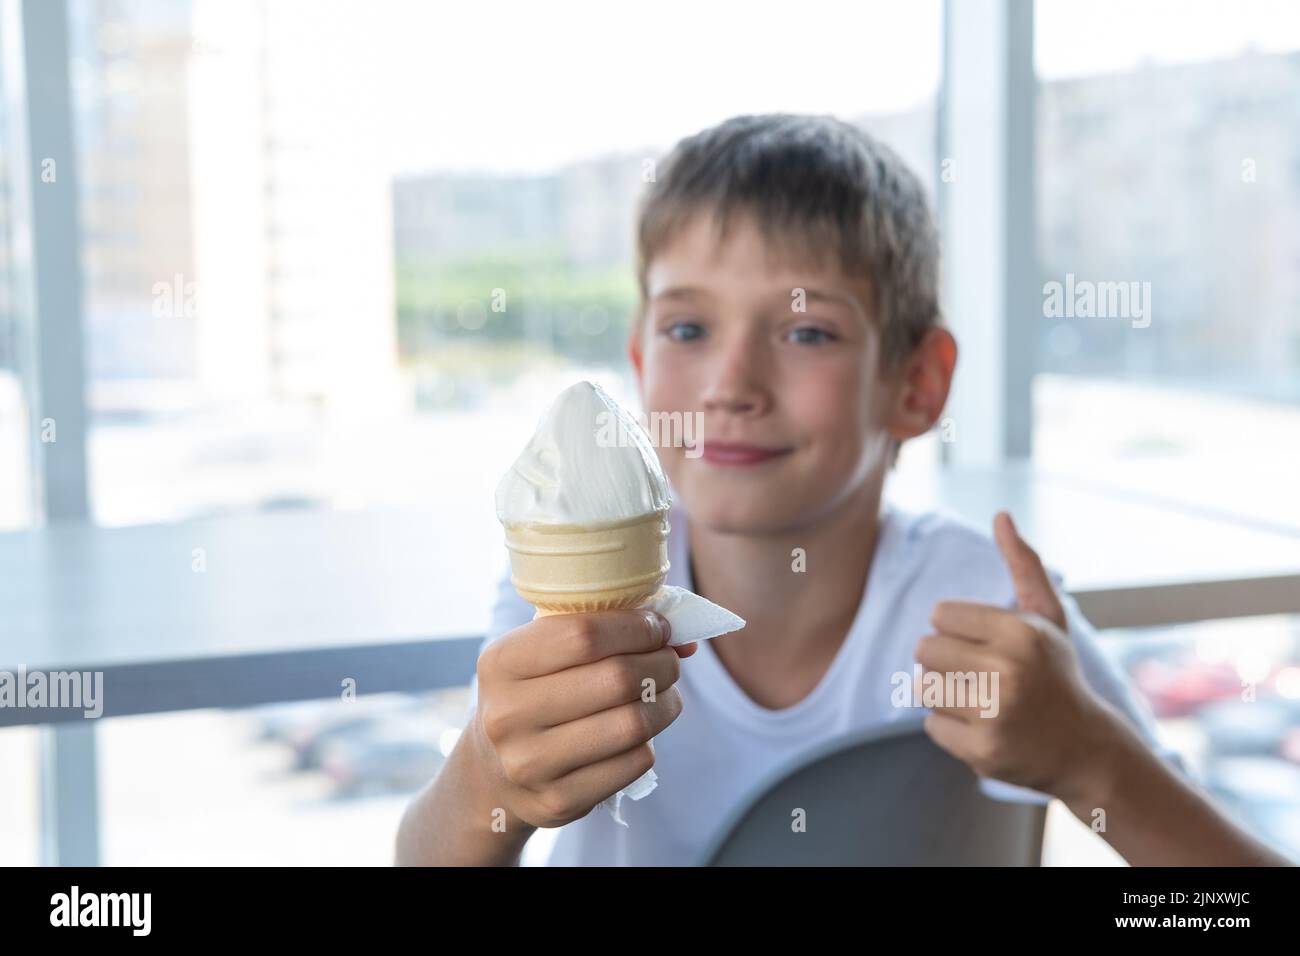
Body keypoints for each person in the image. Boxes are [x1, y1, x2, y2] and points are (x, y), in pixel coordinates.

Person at [396, 113, 1289, 866]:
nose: (730, 384)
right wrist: (486, 781)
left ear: (916, 385)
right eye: (689, 326)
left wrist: (1092, 761)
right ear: (639, 365)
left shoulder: (988, 609)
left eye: (807, 332)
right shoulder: (564, 616)